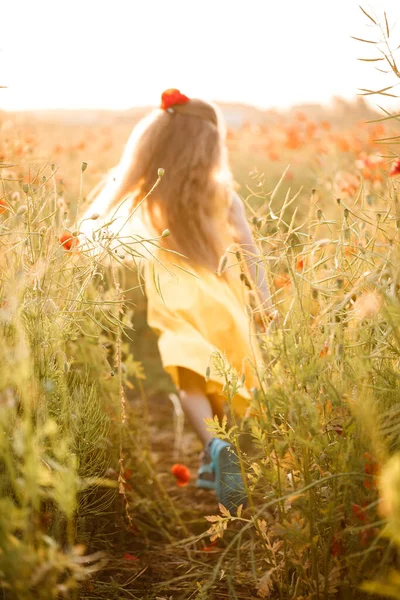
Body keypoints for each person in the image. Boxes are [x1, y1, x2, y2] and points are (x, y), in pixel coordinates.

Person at [82, 89, 273, 514]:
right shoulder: (225, 196)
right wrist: (263, 299)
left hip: (177, 296)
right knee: (220, 379)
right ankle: (215, 456)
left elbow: (104, 226)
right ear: (211, 145)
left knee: (191, 382)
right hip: (225, 300)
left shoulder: (149, 192)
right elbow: (251, 251)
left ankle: (215, 448)